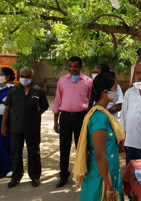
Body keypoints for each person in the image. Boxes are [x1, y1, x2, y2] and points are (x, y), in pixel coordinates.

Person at [73, 73, 125, 201]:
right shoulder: (100, 118)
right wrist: (109, 187)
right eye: (115, 89)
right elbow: (100, 155)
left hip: (107, 171)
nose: (116, 92)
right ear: (105, 92)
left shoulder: (103, 113)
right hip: (100, 178)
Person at [1, 67, 49, 188]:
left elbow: (44, 107)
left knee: (34, 152)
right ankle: (16, 176)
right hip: (15, 127)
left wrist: (33, 116)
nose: (24, 78)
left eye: (27, 76)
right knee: (16, 152)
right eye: (22, 76)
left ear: (31, 77)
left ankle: (35, 176)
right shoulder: (14, 90)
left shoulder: (38, 91)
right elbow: (7, 108)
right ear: (19, 76)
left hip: (32, 128)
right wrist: (3, 126)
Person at [53, 56, 93, 188]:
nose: (72, 69)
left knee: (81, 147)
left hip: (81, 118)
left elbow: (91, 101)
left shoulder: (88, 81)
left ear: (80, 67)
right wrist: (55, 121)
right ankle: (63, 175)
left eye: (75, 66)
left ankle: (82, 174)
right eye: (70, 66)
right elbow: (58, 100)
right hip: (65, 117)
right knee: (64, 147)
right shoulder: (62, 80)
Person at [0, 67, 16, 177]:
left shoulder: (14, 89)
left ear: (7, 77)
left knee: (8, 143)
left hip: (7, 119)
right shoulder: (1, 88)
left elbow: (11, 105)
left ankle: (10, 167)